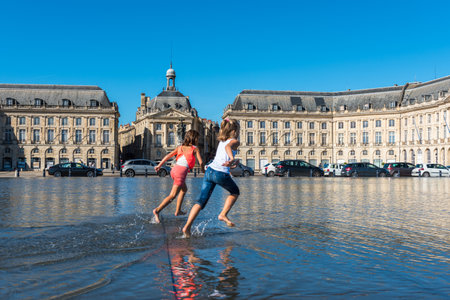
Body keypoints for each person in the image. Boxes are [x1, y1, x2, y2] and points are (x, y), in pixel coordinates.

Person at [182, 118, 240, 237]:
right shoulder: (235, 141)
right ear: (235, 130)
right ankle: (223, 214)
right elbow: (228, 148)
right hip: (220, 173)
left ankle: (187, 227)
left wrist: (232, 163)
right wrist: (232, 159)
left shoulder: (221, 141)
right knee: (235, 192)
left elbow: (223, 156)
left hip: (210, 171)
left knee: (200, 201)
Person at [153, 130, 203, 223]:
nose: (198, 140)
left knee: (184, 189)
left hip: (174, 170)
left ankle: (178, 210)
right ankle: (157, 210)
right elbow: (201, 162)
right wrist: (204, 170)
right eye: (197, 138)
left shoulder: (180, 147)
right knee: (172, 195)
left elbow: (168, 155)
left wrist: (159, 165)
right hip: (180, 172)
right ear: (194, 138)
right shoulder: (195, 148)